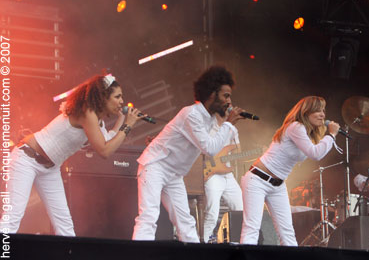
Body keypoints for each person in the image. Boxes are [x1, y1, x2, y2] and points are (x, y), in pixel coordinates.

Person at [1, 74, 144, 236]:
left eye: (122, 97)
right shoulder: (87, 112)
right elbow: (104, 151)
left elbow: (110, 140)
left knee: (65, 225)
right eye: (117, 96)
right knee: (12, 218)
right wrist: (128, 126)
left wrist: (123, 120)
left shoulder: (98, 122)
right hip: (26, 159)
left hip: (50, 169)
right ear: (103, 97)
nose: (121, 101)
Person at [132, 66, 244, 242]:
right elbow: (210, 148)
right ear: (212, 95)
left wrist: (226, 124)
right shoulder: (191, 114)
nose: (229, 102)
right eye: (226, 96)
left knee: (185, 222)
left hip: (174, 174)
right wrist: (229, 125)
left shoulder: (210, 118)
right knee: (148, 217)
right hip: (156, 166)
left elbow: (211, 144)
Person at [240, 96, 340, 246]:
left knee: (287, 232)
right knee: (252, 228)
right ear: (306, 112)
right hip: (257, 180)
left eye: (323, 111)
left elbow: (315, 151)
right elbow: (315, 153)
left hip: (278, 185)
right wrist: (331, 135)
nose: (322, 114)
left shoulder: (306, 135)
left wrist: (327, 137)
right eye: (317, 110)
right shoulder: (296, 127)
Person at [203, 112, 243, 243]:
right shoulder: (207, 126)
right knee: (212, 214)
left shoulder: (233, 129)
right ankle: (206, 243)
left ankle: (238, 242)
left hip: (228, 175)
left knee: (241, 210)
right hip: (212, 174)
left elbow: (238, 152)